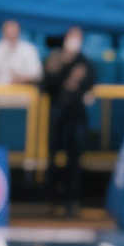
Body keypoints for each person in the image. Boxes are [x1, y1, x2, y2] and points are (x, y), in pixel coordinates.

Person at [42, 26, 97, 216]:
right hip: (57, 114)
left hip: (77, 117)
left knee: (74, 160)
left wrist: (75, 82)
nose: (74, 41)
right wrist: (67, 74)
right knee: (52, 158)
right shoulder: (55, 58)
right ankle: (51, 201)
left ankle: (72, 201)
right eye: (72, 37)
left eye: (78, 37)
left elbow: (89, 83)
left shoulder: (85, 62)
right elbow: (47, 84)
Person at [0, 20, 43, 87]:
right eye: (9, 31)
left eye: (14, 31)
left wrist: (21, 78)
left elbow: (37, 74)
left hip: (24, 91)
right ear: (3, 32)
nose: (11, 34)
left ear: (19, 32)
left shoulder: (29, 49)